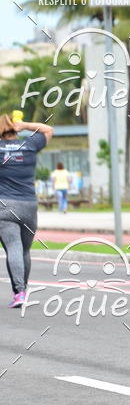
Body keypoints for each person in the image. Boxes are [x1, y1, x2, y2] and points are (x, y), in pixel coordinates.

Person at [0, 115, 53, 308]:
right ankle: (22, 292)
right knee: (24, 250)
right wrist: (25, 126)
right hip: (29, 205)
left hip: (5, 207)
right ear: (15, 128)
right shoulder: (29, 145)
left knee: (13, 247)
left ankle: (19, 292)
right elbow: (48, 130)